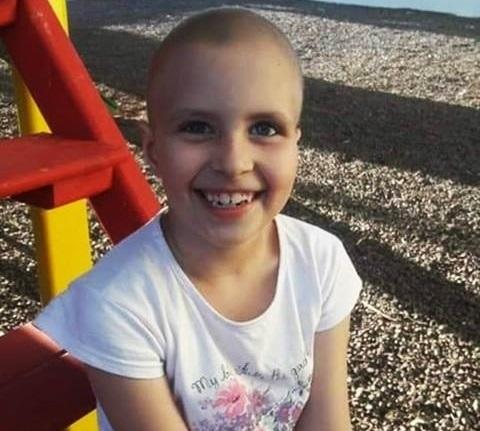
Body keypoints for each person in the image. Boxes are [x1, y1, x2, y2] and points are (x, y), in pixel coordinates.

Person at [34, 7, 362, 431]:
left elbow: (327, 420)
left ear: (296, 143)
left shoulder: (321, 262)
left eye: (264, 128)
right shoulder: (119, 303)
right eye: (198, 127)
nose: (234, 162)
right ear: (153, 150)